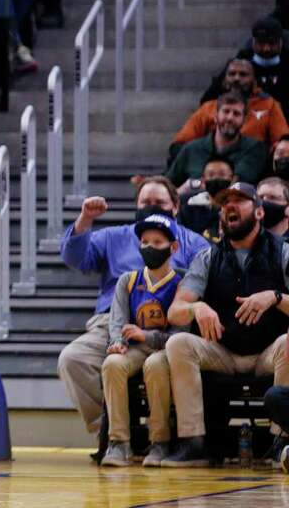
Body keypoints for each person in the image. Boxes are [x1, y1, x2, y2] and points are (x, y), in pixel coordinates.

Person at [56, 178, 209, 457]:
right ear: (136, 207)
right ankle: (111, 429)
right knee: (71, 360)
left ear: (175, 206)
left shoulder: (194, 243)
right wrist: (85, 219)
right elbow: (74, 257)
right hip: (112, 321)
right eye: (145, 203)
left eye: (160, 203)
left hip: (167, 325)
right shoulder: (114, 236)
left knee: (169, 357)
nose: (152, 207)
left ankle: (164, 435)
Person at [162, 183, 289, 466]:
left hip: (269, 351)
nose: (229, 206)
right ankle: (193, 443)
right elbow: (175, 311)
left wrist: (275, 297)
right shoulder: (207, 257)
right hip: (225, 352)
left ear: (258, 212)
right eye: (225, 202)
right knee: (179, 343)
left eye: (239, 200)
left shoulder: (282, 252)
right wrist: (197, 307)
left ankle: (281, 443)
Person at [99, 213, 183, 467]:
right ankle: (118, 442)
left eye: (157, 243)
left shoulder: (182, 282)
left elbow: (181, 333)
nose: (149, 247)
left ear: (173, 247)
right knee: (112, 363)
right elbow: (117, 320)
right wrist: (117, 342)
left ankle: (160, 441)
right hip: (134, 348)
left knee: (155, 366)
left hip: (166, 349)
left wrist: (145, 335)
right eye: (145, 242)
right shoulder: (129, 280)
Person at [171, 59, 288, 154]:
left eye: (243, 74)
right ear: (224, 80)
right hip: (213, 167)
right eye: (232, 74)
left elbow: (282, 140)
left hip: (256, 164)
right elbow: (180, 143)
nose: (237, 78)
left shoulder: (269, 104)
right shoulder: (208, 107)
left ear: (254, 80)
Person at [166, 91, 266, 187]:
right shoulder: (191, 149)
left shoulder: (254, 149)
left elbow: (239, 182)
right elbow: (168, 184)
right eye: (226, 111)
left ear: (244, 120)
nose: (230, 118)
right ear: (215, 116)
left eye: (236, 113)